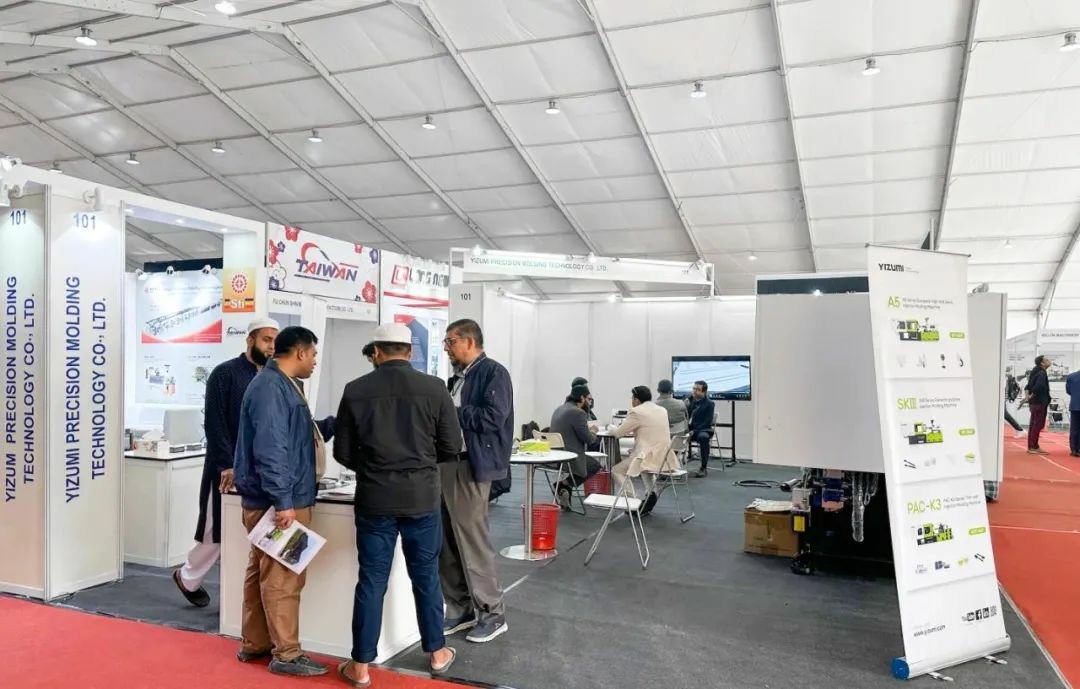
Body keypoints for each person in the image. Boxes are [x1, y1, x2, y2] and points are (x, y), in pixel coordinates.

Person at [333, 323, 461, 686]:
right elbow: (451, 446)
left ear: (376, 351)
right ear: (410, 351)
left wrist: (373, 468)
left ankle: (360, 666)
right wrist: (419, 464)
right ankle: (437, 653)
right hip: (421, 497)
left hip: (374, 499)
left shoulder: (355, 390)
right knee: (425, 576)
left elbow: (343, 451)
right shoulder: (435, 388)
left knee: (372, 580)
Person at [233, 326, 330, 676]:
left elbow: (293, 437)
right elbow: (271, 449)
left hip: (270, 498)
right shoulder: (272, 388)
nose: (315, 361)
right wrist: (283, 501)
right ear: (301, 352)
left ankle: (255, 642)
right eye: (314, 354)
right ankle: (287, 654)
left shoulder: (279, 384)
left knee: (261, 570)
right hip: (278, 501)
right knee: (283, 576)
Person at [173, 318, 279, 608]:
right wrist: (227, 465)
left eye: (275, 341)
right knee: (215, 528)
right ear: (250, 340)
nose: (271, 346)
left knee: (248, 531)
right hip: (226, 469)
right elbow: (215, 423)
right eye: (266, 340)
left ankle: (231, 596)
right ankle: (188, 577)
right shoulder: (225, 374)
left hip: (261, 472)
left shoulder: (275, 376)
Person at [441, 319, 512, 643]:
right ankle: (460, 608)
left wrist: (451, 411)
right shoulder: (457, 378)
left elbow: (493, 417)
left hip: (471, 466)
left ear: (469, 341)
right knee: (446, 543)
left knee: (472, 543)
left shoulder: (494, 373)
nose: (447, 348)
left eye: (451, 341)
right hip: (446, 465)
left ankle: (492, 613)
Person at [611, 386, 678, 516]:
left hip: (646, 456)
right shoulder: (662, 410)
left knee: (617, 470)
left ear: (636, 400)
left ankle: (633, 500)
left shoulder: (636, 412)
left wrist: (610, 427)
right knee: (643, 465)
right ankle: (652, 492)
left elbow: (618, 433)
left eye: (632, 398)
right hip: (664, 457)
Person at [549, 384, 601, 510]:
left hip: (553, 455)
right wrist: (593, 431)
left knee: (588, 463)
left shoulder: (559, 408)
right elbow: (589, 440)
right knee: (594, 466)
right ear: (582, 398)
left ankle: (564, 487)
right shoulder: (578, 413)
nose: (589, 402)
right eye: (588, 399)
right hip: (568, 457)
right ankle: (564, 484)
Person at [687, 380, 716, 477]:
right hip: (689, 429)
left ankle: (703, 467)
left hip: (702, 429)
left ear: (704, 391)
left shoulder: (709, 404)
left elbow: (707, 422)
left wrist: (694, 431)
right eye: (693, 389)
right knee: (673, 434)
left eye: (697, 389)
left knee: (703, 437)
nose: (694, 391)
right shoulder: (689, 400)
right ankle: (672, 466)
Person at [1024, 355, 1051, 456]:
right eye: (1047, 360)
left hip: (1034, 403)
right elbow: (1038, 386)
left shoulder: (1035, 372)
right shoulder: (1042, 373)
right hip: (1040, 402)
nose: (1049, 361)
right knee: (1037, 425)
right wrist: (1031, 396)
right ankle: (1033, 447)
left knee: (1033, 425)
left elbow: (1027, 387)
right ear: (1042, 363)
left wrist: (1028, 397)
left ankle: (1032, 446)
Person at [1003, 374, 1024, 439]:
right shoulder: (1005, 378)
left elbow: (1005, 390)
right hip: (1002, 399)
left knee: (1005, 415)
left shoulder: (1005, 378)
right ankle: (1019, 429)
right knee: (1005, 415)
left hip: (1001, 399)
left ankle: (1020, 429)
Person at [1067, 367, 1080, 457]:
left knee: (1074, 428)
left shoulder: (1071, 376)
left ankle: (1074, 449)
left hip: (1075, 405)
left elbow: (1068, 391)